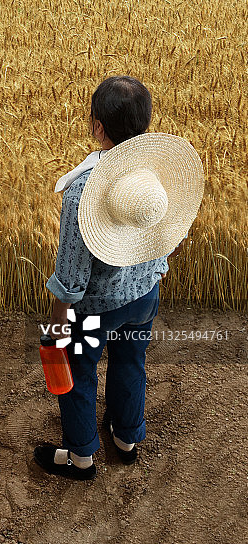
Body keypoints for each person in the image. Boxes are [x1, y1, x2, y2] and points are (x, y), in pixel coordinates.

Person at [34, 75, 203, 480]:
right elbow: (173, 238)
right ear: (146, 122)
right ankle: (126, 438)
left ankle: (80, 458)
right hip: (144, 296)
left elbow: (72, 276)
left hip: (94, 309)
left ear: (97, 125)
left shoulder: (84, 191)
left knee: (79, 373)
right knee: (131, 362)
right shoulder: (159, 175)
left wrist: (58, 322)